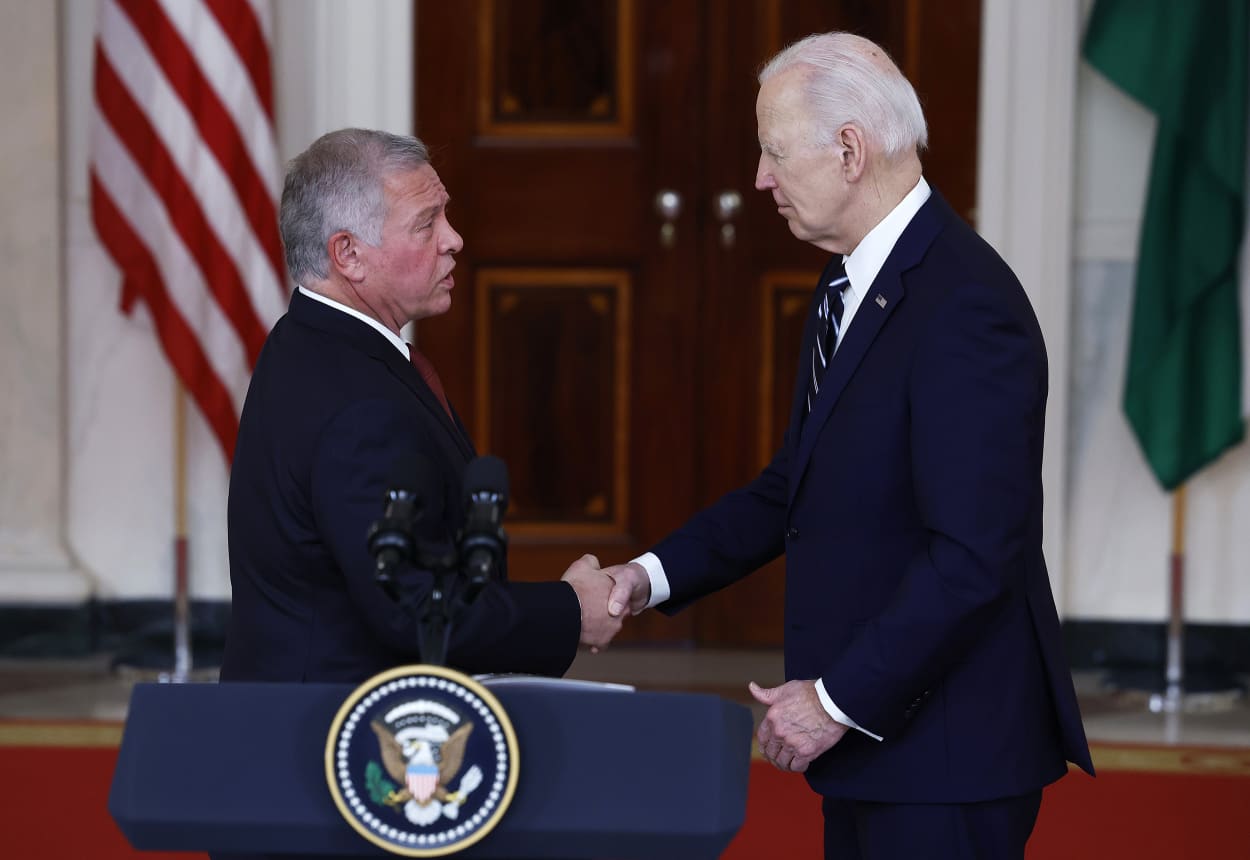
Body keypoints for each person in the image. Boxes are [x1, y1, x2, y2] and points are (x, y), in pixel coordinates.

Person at [599, 33, 1094, 859]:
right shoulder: (851, 281)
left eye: (772, 152)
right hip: (884, 745)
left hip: (946, 755)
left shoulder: (965, 305)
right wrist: (644, 580)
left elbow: (975, 555)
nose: (760, 180)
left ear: (850, 151)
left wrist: (833, 701)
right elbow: (794, 485)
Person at [220, 128, 616, 684]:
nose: (453, 240)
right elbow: (415, 611)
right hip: (339, 745)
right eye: (426, 224)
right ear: (348, 254)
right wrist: (573, 611)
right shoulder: (357, 405)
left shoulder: (308, 340)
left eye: (444, 216)